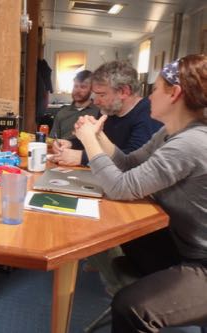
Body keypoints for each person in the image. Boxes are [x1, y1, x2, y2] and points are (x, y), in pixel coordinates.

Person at [73, 54, 207, 332]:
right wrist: (99, 137)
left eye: (155, 88)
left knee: (130, 307)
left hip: (201, 261)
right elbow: (129, 163)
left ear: (175, 94)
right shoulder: (171, 133)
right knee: (127, 235)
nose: (149, 96)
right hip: (180, 242)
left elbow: (121, 187)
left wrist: (88, 141)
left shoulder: (192, 143)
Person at [52, 60, 162, 166]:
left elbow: (131, 161)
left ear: (124, 92)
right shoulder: (109, 110)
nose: (95, 101)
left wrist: (81, 157)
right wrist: (71, 144)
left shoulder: (150, 113)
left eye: (102, 95)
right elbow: (97, 141)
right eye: (95, 95)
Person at [49, 70, 99, 140]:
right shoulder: (62, 113)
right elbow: (53, 139)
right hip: (62, 149)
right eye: (76, 86)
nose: (77, 90)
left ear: (91, 90)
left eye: (83, 87)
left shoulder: (98, 113)